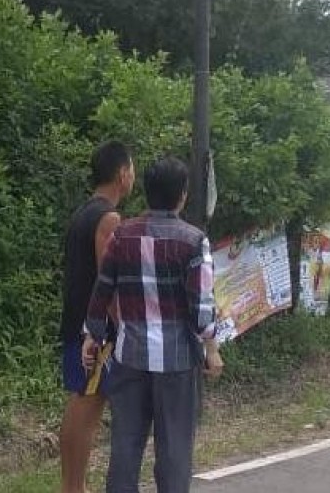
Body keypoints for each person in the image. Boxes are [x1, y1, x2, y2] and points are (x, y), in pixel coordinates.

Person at [83, 156, 222, 493]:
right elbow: (201, 308)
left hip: (130, 357)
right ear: (183, 195)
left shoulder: (121, 235)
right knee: (174, 449)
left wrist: (92, 334)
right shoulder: (193, 241)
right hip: (176, 362)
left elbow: (102, 289)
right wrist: (212, 348)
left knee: (125, 447)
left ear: (147, 191)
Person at [59, 141, 135, 493]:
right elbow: (109, 281)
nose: (133, 174)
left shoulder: (82, 213)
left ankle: (75, 485)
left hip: (76, 321)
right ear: (122, 174)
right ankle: (74, 488)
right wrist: (122, 326)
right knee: (86, 406)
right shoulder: (109, 217)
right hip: (95, 331)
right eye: (131, 168)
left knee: (84, 401)